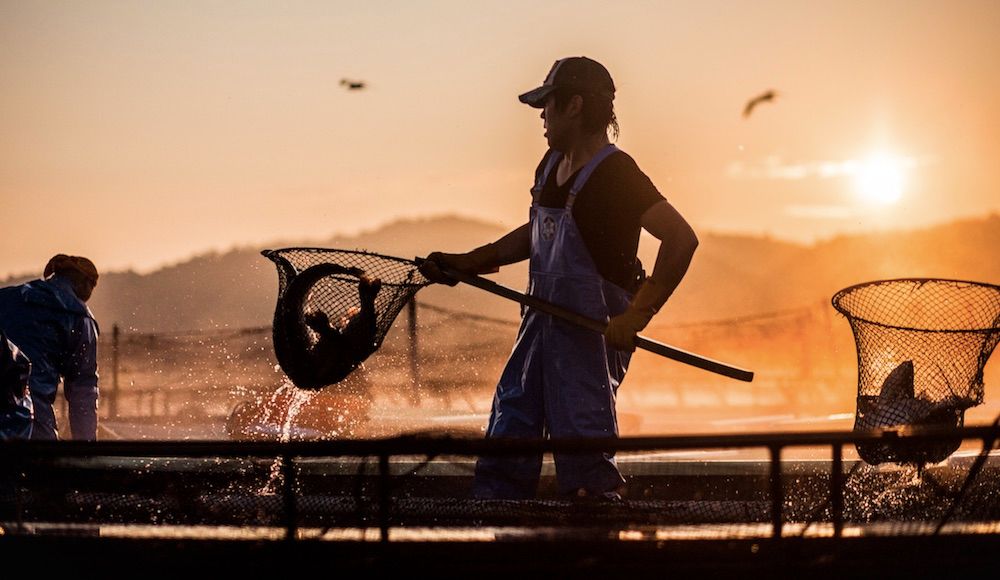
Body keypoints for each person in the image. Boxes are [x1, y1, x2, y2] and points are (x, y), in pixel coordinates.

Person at [420, 56, 698, 500]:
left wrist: (639, 315)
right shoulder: (549, 165)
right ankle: (499, 532)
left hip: (590, 337)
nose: (541, 118)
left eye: (546, 106)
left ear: (574, 106)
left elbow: (681, 239)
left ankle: (593, 543)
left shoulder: (616, 174)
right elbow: (536, 235)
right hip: (539, 326)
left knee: (583, 445)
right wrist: (468, 262)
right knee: (510, 431)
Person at [0, 255, 100, 440]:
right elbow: (83, 390)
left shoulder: (6, 298)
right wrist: (86, 449)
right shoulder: (79, 317)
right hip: (32, 421)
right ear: (86, 284)